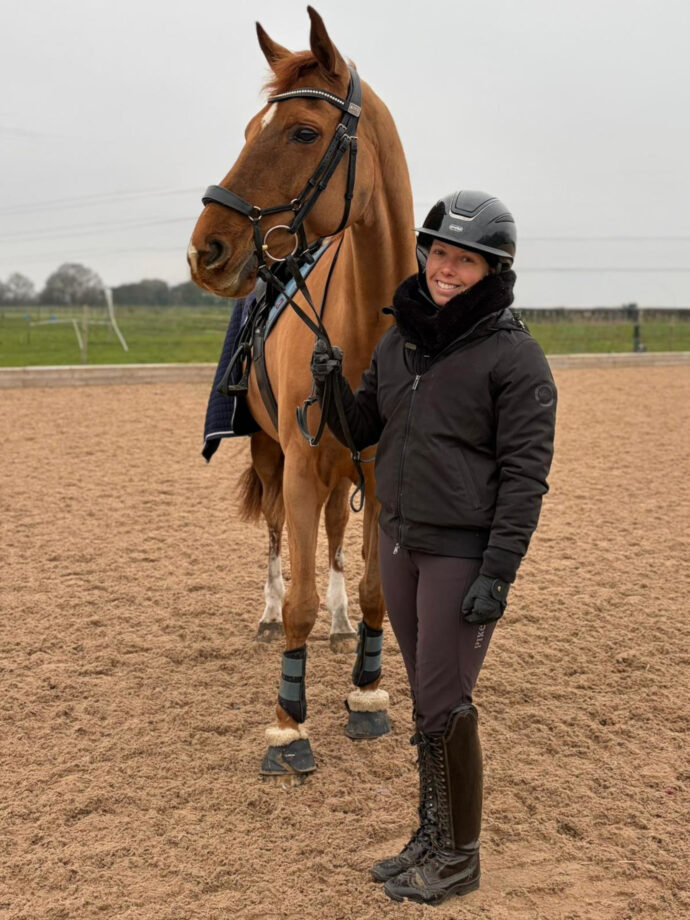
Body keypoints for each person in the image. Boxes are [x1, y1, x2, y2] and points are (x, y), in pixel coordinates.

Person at [311, 190, 557, 906]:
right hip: (399, 541)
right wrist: (330, 387)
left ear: (494, 270)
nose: (446, 270)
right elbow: (362, 430)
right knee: (425, 701)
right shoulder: (401, 340)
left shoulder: (515, 358)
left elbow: (525, 477)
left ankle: (461, 857)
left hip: (461, 554)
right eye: (440, 253)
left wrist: (499, 572)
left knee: (447, 704)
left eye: (465, 261)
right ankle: (431, 834)